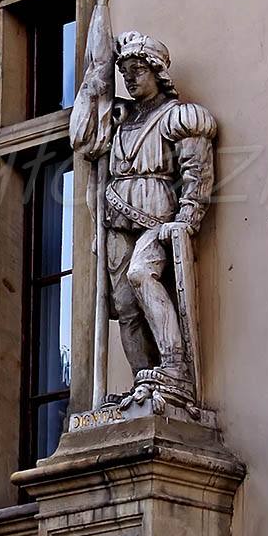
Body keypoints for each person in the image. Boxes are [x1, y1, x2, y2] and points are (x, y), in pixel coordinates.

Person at [78, 31, 216, 394]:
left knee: (141, 274)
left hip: (158, 218)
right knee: (123, 303)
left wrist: (187, 218)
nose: (130, 78)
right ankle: (143, 377)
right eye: (125, 72)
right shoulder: (119, 120)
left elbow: (196, 172)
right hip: (116, 216)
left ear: (157, 72)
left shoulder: (178, 117)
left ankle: (174, 365)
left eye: (138, 70)